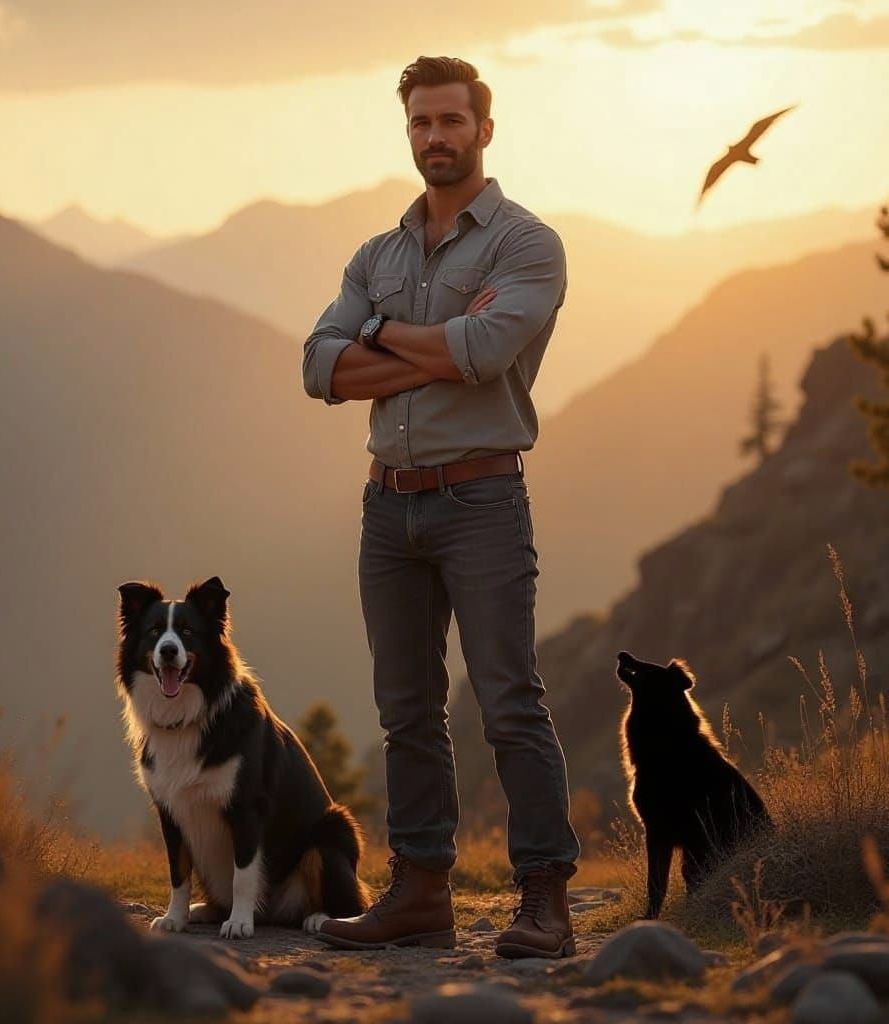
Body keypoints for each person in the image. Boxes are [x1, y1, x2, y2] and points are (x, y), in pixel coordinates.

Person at [301, 55, 579, 960]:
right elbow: (318, 367)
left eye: (451, 121)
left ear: (484, 130)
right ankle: (421, 893)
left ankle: (545, 900)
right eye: (421, 123)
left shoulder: (526, 245)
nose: (435, 137)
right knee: (406, 712)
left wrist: (377, 339)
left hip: (483, 498)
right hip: (389, 511)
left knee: (508, 702)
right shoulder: (374, 255)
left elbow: (492, 351)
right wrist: (435, 346)